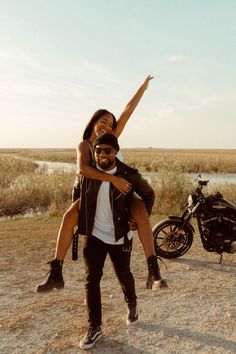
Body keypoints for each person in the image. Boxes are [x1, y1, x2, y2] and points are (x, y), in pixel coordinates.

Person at [35, 75, 168, 293]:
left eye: (110, 124)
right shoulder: (85, 145)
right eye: (103, 122)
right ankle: (56, 273)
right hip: (93, 195)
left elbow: (127, 111)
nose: (107, 126)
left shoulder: (111, 139)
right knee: (69, 216)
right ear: (94, 122)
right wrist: (113, 179)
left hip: (121, 195)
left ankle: (153, 270)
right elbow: (82, 169)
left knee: (141, 210)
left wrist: (143, 88)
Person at [79, 133, 155, 349]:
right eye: (98, 150)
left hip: (120, 234)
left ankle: (132, 305)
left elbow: (148, 194)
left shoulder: (128, 175)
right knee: (91, 279)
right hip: (94, 235)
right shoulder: (88, 173)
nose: (102, 154)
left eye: (107, 150)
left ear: (115, 152)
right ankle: (95, 327)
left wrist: (138, 220)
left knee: (124, 274)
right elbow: (76, 194)